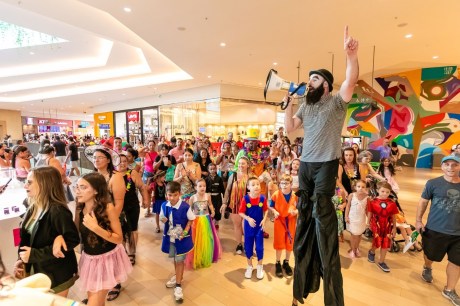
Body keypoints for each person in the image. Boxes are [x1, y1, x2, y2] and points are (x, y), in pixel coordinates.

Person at [284, 26, 359, 306]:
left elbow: (351, 82)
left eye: (314, 79)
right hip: (305, 166)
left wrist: (350, 57)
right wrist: (288, 106)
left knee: (323, 221)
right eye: (309, 79)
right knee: (304, 220)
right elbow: (291, 129)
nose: (309, 82)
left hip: (326, 165)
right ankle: (300, 288)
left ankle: (332, 296)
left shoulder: (336, 103)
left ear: (325, 84)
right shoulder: (306, 105)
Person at [15, 167, 79, 297]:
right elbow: (27, 238)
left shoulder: (57, 211)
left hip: (56, 274)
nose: (25, 186)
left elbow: (73, 240)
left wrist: (34, 255)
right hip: (38, 270)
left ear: (44, 184)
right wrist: (21, 259)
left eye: (30, 182)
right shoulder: (33, 206)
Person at [73, 172, 132, 306]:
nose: (78, 191)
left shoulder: (108, 208)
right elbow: (76, 232)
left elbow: (118, 238)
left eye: (83, 187)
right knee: (96, 299)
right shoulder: (79, 206)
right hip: (89, 258)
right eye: (77, 187)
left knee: (94, 301)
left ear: (95, 190)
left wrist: (96, 228)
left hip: (106, 259)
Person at [415, 155, 460, 305]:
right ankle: (427, 267)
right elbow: (423, 202)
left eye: (455, 165)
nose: (450, 168)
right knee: (430, 255)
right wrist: (418, 220)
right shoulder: (433, 183)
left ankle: (449, 289)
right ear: (442, 166)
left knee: (456, 262)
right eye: (447, 164)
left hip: (458, 233)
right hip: (435, 229)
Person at [160, 181, 195, 303]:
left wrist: (185, 231)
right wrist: (163, 219)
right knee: (175, 258)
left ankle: (178, 286)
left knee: (180, 260)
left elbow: (191, 220)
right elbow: (162, 218)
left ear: (179, 194)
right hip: (171, 238)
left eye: (175, 195)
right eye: (170, 195)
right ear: (166, 195)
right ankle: (177, 276)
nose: (172, 198)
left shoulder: (185, 207)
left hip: (182, 239)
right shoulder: (164, 205)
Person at [117, 154, 150, 266]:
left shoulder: (132, 173)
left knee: (132, 229)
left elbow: (142, 187)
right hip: (117, 207)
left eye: (124, 161)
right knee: (120, 230)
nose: (122, 163)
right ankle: (123, 251)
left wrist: (145, 200)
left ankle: (132, 252)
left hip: (132, 206)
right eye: (119, 161)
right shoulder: (113, 174)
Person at [185, 179, 222, 269]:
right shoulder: (193, 197)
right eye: (200, 186)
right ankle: (197, 256)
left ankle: (206, 255)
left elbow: (210, 204)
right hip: (196, 220)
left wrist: (212, 210)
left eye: (204, 186)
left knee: (206, 238)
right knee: (196, 238)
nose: (202, 188)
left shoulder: (207, 196)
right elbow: (189, 209)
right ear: (195, 187)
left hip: (206, 219)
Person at [239, 177, 268, 280]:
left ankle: (260, 266)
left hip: (259, 227)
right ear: (248, 188)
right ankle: (249, 266)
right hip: (249, 227)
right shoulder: (245, 199)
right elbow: (241, 212)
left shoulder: (262, 198)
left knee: (259, 247)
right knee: (248, 246)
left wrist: (264, 220)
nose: (256, 186)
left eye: (257, 184)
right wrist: (248, 218)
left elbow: (266, 210)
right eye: (253, 184)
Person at [269, 174, 298, 278]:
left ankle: (286, 262)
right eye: (282, 183)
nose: (284, 185)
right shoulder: (276, 194)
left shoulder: (295, 195)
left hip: (290, 221)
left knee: (290, 242)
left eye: (286, 183)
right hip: (279, 221)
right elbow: (271, 206)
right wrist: (274, 211)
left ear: (291, 184)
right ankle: (277, 262)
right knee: (279, 241)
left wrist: (296, 211)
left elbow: (299, 208)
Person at [221, 156, 251, 255]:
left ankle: (247, 244)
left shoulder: (251, 177)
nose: (241, 165)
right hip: (234, 205)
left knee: (246, 227)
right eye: (240, 163)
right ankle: (239, 244)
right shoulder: (233, 176)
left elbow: (256, 192)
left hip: (248, 206)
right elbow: (228, 190)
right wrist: (224, 203)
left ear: (248, 165)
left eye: (243, 163)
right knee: (237, 225)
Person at [367, 181, 398, 272]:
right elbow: (370, 212)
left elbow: (393, 215)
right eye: (383, 191)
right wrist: (367, 223)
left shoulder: (392, 203)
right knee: (377, 242)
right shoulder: (372, 201)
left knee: (386, 243)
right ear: (378, 190)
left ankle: (381, 261)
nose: (385, 194)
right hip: (376, 225)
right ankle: (372, 251)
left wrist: (395, 227)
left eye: (387, 192)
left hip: (387, 226)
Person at [345, 180, 369, 258]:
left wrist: (368, 220)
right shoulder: (352, 195)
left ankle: (356, 248)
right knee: (353, 235)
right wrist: (346, 216)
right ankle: (352, 249)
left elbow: (367, 210)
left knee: (359, 234)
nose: (361, 188)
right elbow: (348, 206)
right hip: (352, 218)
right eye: (359, 186)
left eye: (363, 187)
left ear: (366, 188)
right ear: (355, 187)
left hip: (361, 219)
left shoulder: (367, 198)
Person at [205, 163, 225, 229]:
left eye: (214, 169)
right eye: (211, 169)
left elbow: (222, 189)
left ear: (216, 169)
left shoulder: (219, 179)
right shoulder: (206, 179)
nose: (212, 170)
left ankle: (216, 223)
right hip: (210, 197)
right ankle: (210, 222)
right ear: (208, 170)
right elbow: (205, 189)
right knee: (210, 209)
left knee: (218, 210)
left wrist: (224, 197)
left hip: (218, 197)